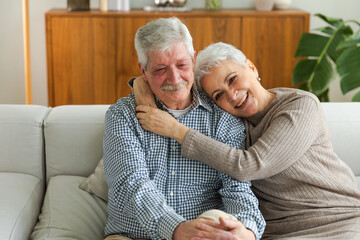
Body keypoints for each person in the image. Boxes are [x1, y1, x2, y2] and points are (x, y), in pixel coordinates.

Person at [134, 42, 360, 239]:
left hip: (337, 220)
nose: (232, 95)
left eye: (232, 79)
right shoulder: (233, 125)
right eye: (218, 95)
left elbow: (249, 165)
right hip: (277, 232)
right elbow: (176, 84)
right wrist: (141, 83)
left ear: (251, 67)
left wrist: (177, 131)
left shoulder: (300, 106)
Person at [103, 19, 265, 240]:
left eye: (181, 65)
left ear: (193, 59)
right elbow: (130, 184)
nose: (174, 78)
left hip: (202, 234)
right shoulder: (122, 115)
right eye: (160, 69)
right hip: (133, 235)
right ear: (143, 70)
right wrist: (176, 229)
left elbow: (237, 188)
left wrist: (247, 231)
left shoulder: (223, 119)